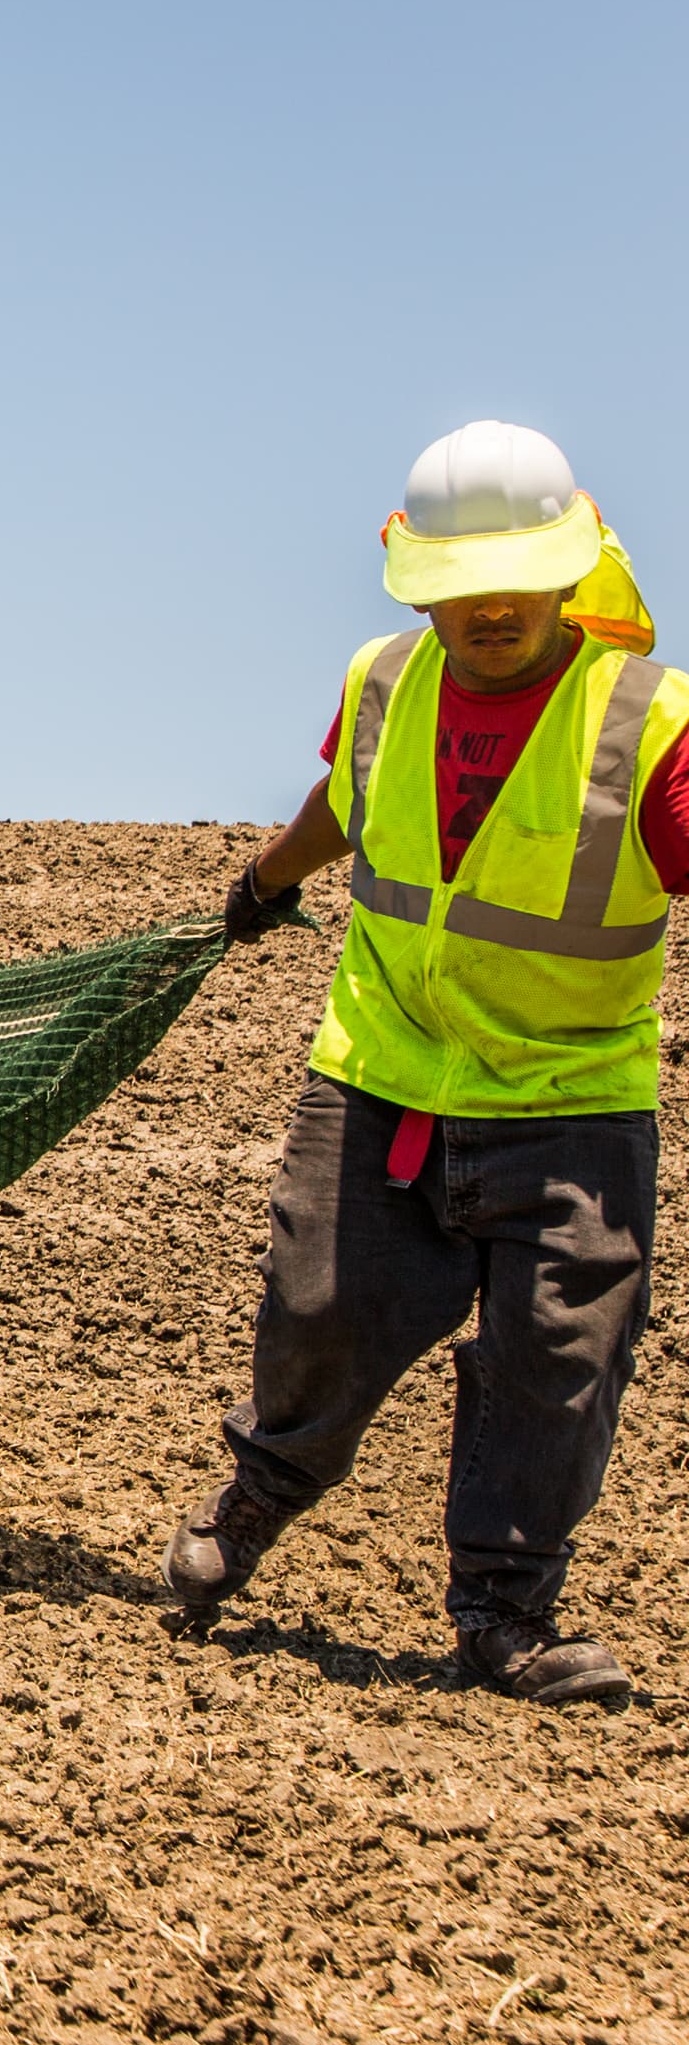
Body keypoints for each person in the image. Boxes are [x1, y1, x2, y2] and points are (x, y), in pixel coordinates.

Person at [179, 419, 686, 1703]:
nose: (491, 606)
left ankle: (505, 1617)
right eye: (462, 583)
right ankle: (253, 1504)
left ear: (571, 570)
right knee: (319, 1315)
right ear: (420, 578)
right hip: (385, 1074)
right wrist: (261, 884)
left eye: (517, 576)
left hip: (572, 1100)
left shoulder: (648, 726)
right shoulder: (387, 682)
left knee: (556, 1364)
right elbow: (347, 803)